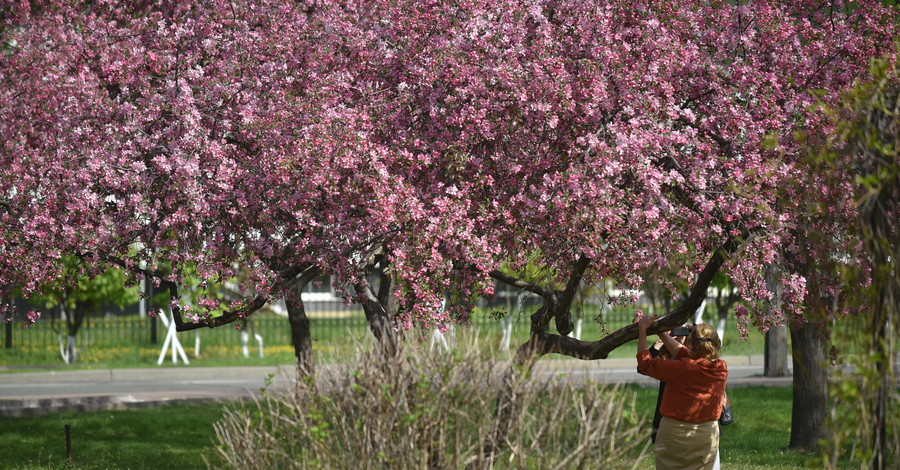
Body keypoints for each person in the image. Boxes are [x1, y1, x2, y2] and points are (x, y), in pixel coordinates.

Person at [636, 315, 728, 470]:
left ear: (690, 343)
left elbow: (644, 364)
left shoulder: (679, 368)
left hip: (674, 433)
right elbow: (686, 355)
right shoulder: (721, 368)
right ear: (716, 345)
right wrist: (661, 333)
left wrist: (642, 330)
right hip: (706, 434)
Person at [638, 323, 692, 443]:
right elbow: (642, 368)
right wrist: (661, 341)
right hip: (667, 404)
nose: (678, 335)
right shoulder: (667, 356)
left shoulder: (694, 353)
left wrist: (688, 325)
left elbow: (714, 341)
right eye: (675, 331)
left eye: (681, 331)